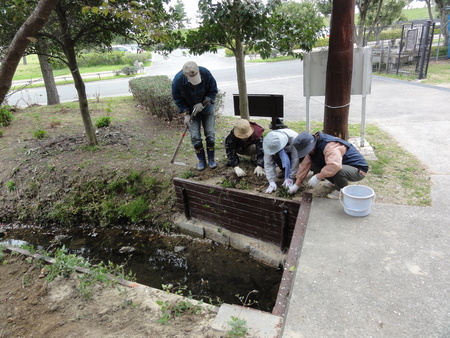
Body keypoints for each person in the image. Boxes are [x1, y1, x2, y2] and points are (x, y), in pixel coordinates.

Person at [288, 131, 369, 199]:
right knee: (317, 166)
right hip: (341, 164)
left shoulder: (330, 146)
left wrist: (318, 176)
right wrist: (296, 184)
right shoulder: (314, 147)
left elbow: (335, 166)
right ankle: (336, 183)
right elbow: (304, 165)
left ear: (311, 145)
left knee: (338, 170)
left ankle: (341, 191)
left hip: (357, 169)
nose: (307, 152)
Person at [172, 61, 218, 171]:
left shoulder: (205, 73)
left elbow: (213, 90)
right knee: (195, 136)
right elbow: (178, 99)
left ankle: (211, 159)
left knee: (210, 133)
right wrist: (186, 113)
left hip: (206, 108)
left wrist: (205, 102)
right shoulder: (177, 81)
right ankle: (201, 160)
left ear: (198, 71)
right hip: (191, 111)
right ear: (185, 75)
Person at [263, 128, 300, 193]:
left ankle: (294, 174)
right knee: (277, 157)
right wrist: (271, 181)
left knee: (299, 159)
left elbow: (295, 158)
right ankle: (284, 170)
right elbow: (268, 162)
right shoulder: (268, 142)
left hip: (298, 154)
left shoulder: (293, 138)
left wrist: (291, 177)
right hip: (282, 154)